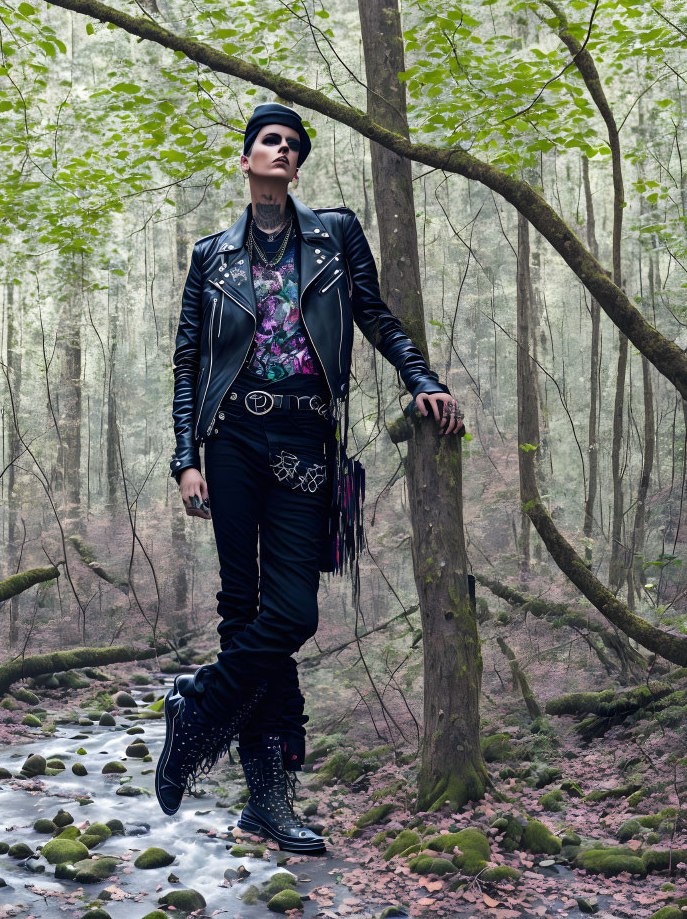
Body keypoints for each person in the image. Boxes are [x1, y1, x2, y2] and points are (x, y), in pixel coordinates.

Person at [155, 103, 465, 853]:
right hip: (231, 439)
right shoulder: (211, 256)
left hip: (304, 435)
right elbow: (190, 361)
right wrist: (185, 459)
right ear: (245, 159)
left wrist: (420, 377)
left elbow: (376, 317)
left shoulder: (334, 234)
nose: (285, 152)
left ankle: (195, 709)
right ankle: (267, 802)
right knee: (243, 616)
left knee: (291, 614)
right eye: (272, 141)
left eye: (295, 146)